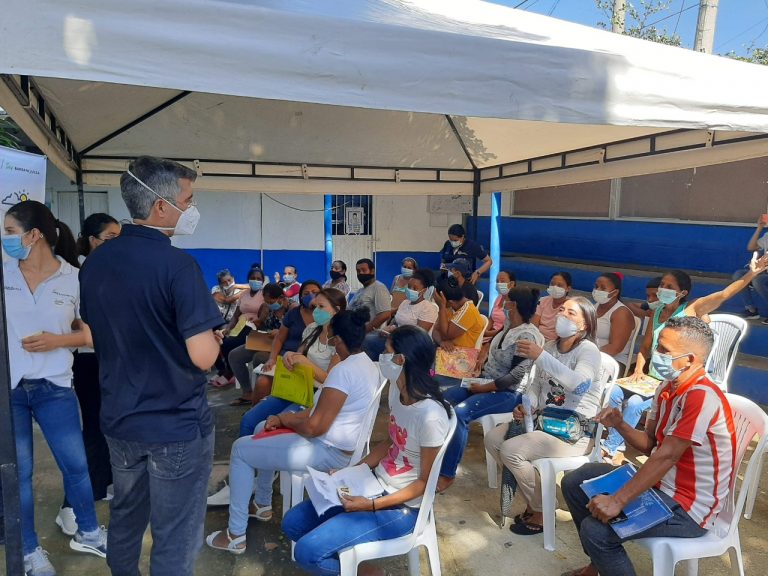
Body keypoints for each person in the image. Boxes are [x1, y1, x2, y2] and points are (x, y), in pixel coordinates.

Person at [79, 156, 223, 576]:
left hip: (120, 418)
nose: (191, 209)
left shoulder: (96, 263)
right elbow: (202, 357)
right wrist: (212, 339)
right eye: (187, 200)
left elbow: (98, 331)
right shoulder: (178, 265)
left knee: (126, 514)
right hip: (174, 424)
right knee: (175, 533)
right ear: (162, 206)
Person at [561, 316, 735, 576]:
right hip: (660, 484)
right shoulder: (666, 387)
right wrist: (620, 424)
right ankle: (598, 565)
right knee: (575, 481)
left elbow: (667, 456)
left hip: (689, 507)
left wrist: (618, 500)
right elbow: (650, 445)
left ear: (689, 360)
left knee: (596, 530)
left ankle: (600, 557)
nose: (656, 354)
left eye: (664, 350)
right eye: (657, 346)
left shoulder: (701, 396)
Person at [205, 308, 379, 553]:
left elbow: (314, 426)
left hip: (327, 451)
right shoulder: (367, 365)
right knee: (260, 427)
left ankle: (235, 535)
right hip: (333, 445)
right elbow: (316, 411)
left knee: (240, 449)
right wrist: (281, 418)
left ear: (338, 339)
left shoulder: (343, 371)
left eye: (331, 338)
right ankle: (262, 504)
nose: (330, 343)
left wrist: (286, 419)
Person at [281, 325, 451, 576]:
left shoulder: (430, 416)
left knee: (307, 552)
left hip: (402, 509)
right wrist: (350, 471)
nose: (381, 357)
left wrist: (370, 505)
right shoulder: (398, 393)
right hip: (373, 485)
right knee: (292, 523)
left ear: (401, 360)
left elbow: (425, 483)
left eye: (387, 352)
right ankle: (359, 569)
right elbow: (390, 442)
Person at [3, 200, 107, 576]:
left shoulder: (73, 278)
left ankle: (89, 531)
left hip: (55, 387)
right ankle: (29, 550)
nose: (6, 239)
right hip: (10, 391)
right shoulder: (4, 274)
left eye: (10, 232)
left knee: (76, 466)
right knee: (20, 475)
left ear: (34, 235)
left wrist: (56, 340)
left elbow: (92, 335)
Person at [207, 288, 348, 507]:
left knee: (268, 427)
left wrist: (305, 363)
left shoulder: (341, 341)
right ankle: (244, 480)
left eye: (321, 307)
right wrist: (291, 358)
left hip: (316, 398)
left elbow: (331, 381)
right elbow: (299, 355)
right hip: (296, 389)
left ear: (336, 310)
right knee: (249, 419)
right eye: (315, 307)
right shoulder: (312, 329)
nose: (316, 311)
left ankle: (254, 484)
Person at [484, 296, 603, 536]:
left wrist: (540, 356)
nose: (562, 315)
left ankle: (541, 510)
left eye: (571, 313)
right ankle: (538, 498)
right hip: (544, 421)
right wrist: (527, 406)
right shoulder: (549, 347)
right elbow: (536, 386)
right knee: (493, 439)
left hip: (573, 430)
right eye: (562, 310)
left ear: (584, 324)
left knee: (511, 450)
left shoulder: (588, 351)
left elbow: (578, 384)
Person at [437, 287, 544, 492]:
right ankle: (435, 455)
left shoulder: (527, 335)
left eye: (506, 301)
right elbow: (490, 349)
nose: (503, 304)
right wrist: (480, 364)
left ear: (514, 305)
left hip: (510, 393)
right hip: (486, 382)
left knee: (460, 413)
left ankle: (447, 473)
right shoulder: (508, 327)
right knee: (444, 400)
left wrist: (484, 388)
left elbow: (515, 376)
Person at [66, 213, 121, 520]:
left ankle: (106, 479)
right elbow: (77, 321)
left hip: (110, 356)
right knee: (96, 423)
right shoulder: (81, 274)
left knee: (109, 421)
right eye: (109, 238)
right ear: (92, 240)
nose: (116, 244)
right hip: (89, 358)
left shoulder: (109, 270)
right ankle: (96, 485)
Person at [225, 282, 296, 405]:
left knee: (259, 357)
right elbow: (262, 324)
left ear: (281, 298)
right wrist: (256, 321)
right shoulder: (266, 307)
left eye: (271, 301)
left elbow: (297, 332)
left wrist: (280, 332)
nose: (268, 304)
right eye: (266, 301)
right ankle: (248, 393)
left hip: (283, 346)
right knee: (234, 355)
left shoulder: (293, 308)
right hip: (265, 342)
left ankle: (262, 395)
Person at [362, 269, 437, 360]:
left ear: (424, 290)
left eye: (415, 288)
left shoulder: (428, 308)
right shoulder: (405, 303)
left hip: (410, 346)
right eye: (409, 287)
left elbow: (418, 336)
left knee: (368, 342)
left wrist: (394, 334)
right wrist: (387, 329)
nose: (410, 290)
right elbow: (396, 323)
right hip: (395, 339)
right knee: (365, 339)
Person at [210, 264, 266, 387]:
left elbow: (264, 317)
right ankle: (227, 370)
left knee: (228, 344)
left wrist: (257, 320)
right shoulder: (244, 294)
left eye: (258, 279)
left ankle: (230, 373)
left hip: (254, 328)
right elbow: (236, 315)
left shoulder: (264, 295)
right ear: (248, 279)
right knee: (221, 340)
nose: (255, 281)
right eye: (253, 278)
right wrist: (228, 328)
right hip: (240, 326)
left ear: (263, 281)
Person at [593, 272, 635, 374]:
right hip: (592, 356)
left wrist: (587, 355)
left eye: (603, 288)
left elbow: (615, 348)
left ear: (615, 292)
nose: (597, 290)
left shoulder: (621, 313)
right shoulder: (595, 306)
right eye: (596, 286)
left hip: (613, 361)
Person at [432, 276, 486, 352]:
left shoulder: (469, 310)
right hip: (447, 350)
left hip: (464, 353)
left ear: (450, 302)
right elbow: (435, 331)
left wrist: (441, 307)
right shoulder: (448, 307)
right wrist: (441, 342)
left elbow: (446, 335)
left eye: (438, 300)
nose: (436, 301)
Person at [734, 214, 768, 323]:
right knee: (739, 274)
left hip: (764, 273)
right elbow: (751, 247)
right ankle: (751, 310)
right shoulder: (767, 236)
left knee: (758, 280)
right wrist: (759, 228)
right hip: (764, 270)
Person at [348, 258, 392, 331]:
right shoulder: (360, 291)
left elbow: (385, 314)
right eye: (358, 271)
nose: (361, 273)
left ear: (372, 271)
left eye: (364, 270)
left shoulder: (378, 287)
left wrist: (363, 331)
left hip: (367, 334)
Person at [532, 271, 572, 341]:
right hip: (537, 338)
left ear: (568, 288)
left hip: (555, 342)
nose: (555, 287)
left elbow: (564, 334)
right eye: (552, 284)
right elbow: (534, 325)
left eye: (559, 285)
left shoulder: (570, 306)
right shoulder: (543, 300)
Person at [486, 270, 516, 339]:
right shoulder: (499, 297)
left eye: (502, 281)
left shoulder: (515, 302)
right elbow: (491, 319)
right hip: (491, 333)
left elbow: (510, 327)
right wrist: (485, 330)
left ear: (511, 284)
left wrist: (489, 333)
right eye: (497, 281)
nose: (499, 283)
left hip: (504, 336)